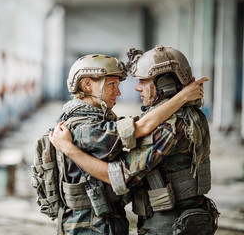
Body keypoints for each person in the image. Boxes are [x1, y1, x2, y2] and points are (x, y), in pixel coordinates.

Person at [51, 52, 208, 235]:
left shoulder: (170, 125)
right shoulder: (87, 126)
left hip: (171, 223)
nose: (136, 88)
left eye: (143, 81)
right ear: (87, 84)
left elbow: (120, 176)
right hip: (91, 224)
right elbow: (139, 126)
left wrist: (70, 149)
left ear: (164, 82)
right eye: (113, 84)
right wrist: (182, 96)